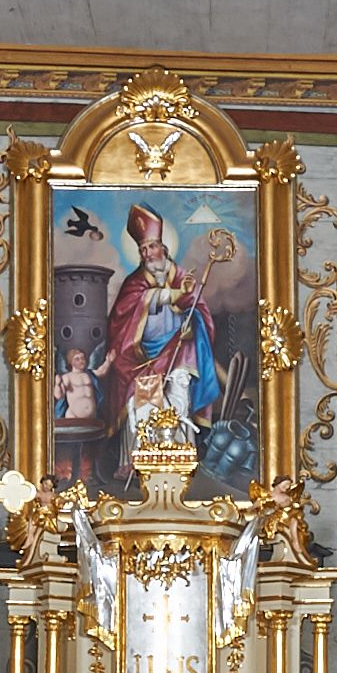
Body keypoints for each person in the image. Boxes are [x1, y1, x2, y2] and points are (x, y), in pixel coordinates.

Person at [102, 204, 222, 476]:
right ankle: (138, 464)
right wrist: (172, 296)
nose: (147, 253)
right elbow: (124, 316)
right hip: (143, 359)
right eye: (143, 249)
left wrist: (192, 323)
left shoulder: (182, 276)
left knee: (178, 405)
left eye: (152, 247)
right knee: (143, 408)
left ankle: (180, 463)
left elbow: (200, 312)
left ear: (163, 248)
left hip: (180, 352)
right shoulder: (134, 282)